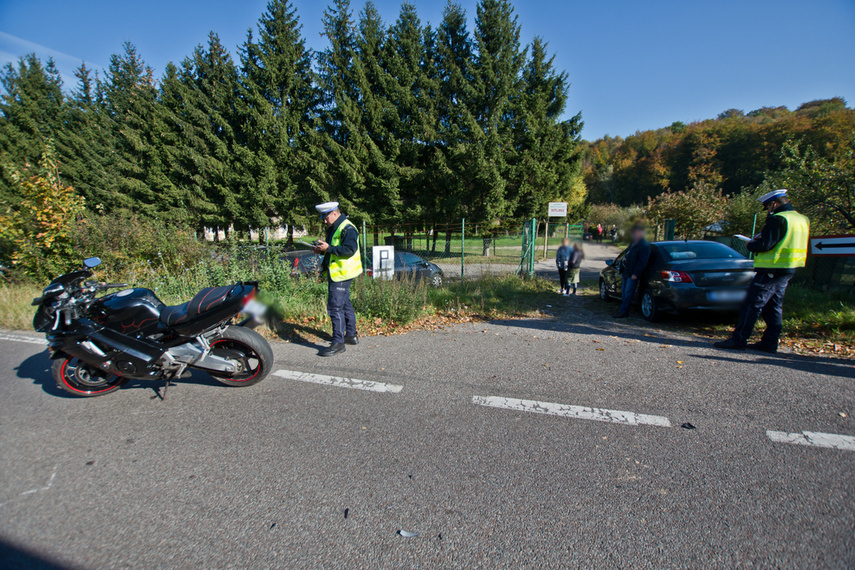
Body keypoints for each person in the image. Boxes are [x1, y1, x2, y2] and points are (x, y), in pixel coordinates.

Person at [714, 189, 809, 353]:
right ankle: (770, 342)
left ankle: (739, 339)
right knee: (773, 307)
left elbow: (766, 245)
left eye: (768, 207)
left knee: (751, 304)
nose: (768, 210)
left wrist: (751, 245)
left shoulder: (778, 219)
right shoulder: (802, 219)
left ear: (774, 204)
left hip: (772, 268)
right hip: (790, 268)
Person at [312, 202, 363, 357]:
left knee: (335, 308)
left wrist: (328, 249)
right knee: (345, 303)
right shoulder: (335, 227)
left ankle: (338, 343)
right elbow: (333, 249)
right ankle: (351, 335)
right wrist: (321, 251)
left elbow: (349, 250)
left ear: (335, 213)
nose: (324, 220)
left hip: (341, 274)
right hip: (339, 273)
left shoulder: (348, 228)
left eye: (325, 217)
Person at [613, 223, 650, 319]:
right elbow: (626, 256)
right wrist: (622, 268)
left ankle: (624, 311)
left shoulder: (644, 245)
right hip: (626, 272)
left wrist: (636, 274)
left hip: (632, 273)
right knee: (624, 292)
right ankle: (623, 309)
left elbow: (642, 262)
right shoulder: (633, 243)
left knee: (628, 292)